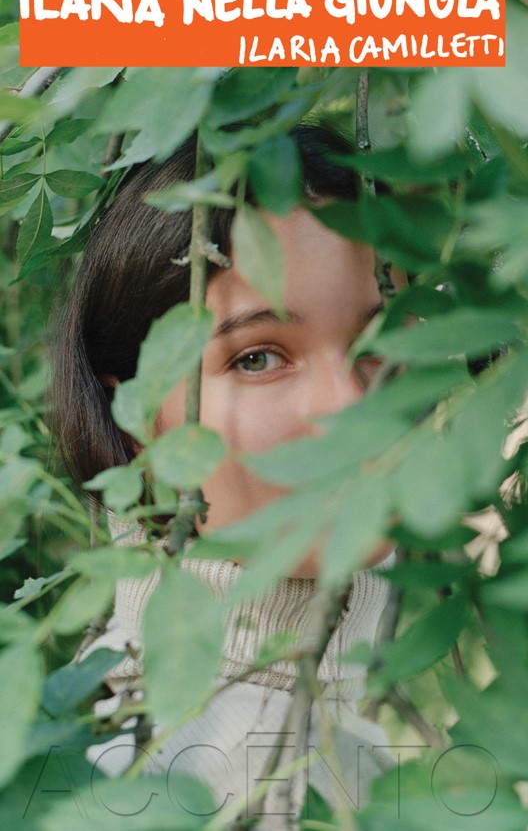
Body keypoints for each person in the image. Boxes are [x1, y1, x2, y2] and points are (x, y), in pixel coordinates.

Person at [52, 124, 402, 824]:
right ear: (135, 420)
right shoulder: (194, 770)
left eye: (379, 342)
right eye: (258, 356)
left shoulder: (332, 742)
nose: (350, 406)